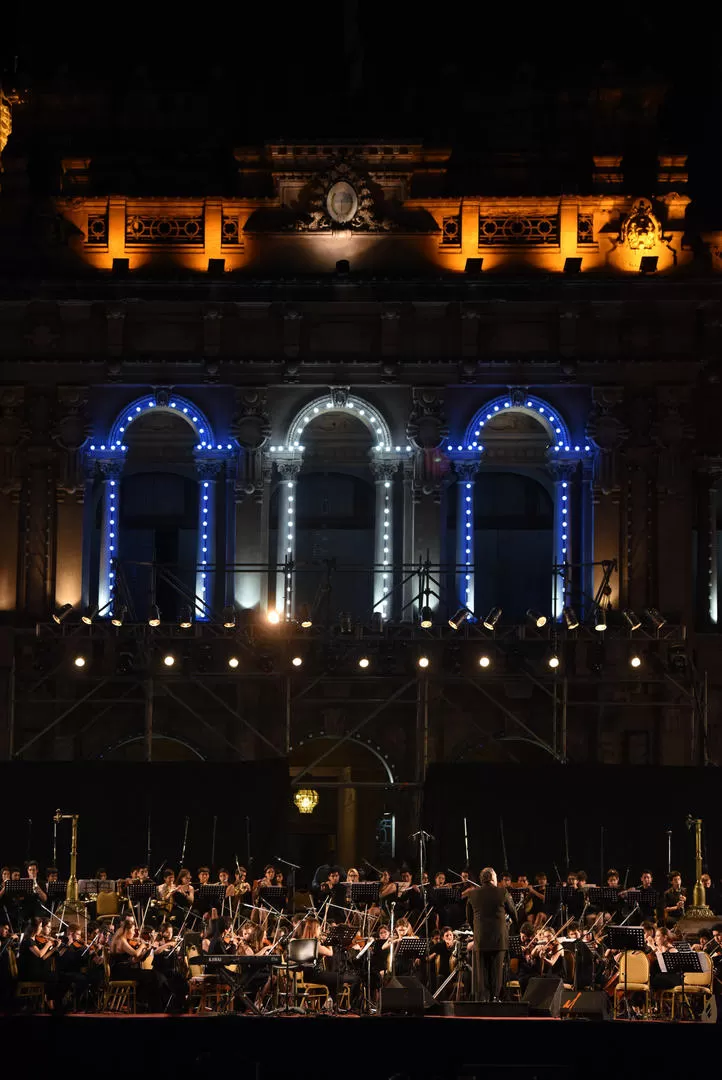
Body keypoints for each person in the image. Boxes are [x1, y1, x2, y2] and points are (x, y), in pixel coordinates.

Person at [465, 866, 518, 1002]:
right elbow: (513, 913)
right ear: (493, 878)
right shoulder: (502, 892)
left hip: (481, 939)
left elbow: (469, 918)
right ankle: (494, 999)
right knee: (496, 972)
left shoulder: (472, 894)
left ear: (482, 880)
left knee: (482, 972)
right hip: (498, 939)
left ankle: (483, 1000)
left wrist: (477, 931)